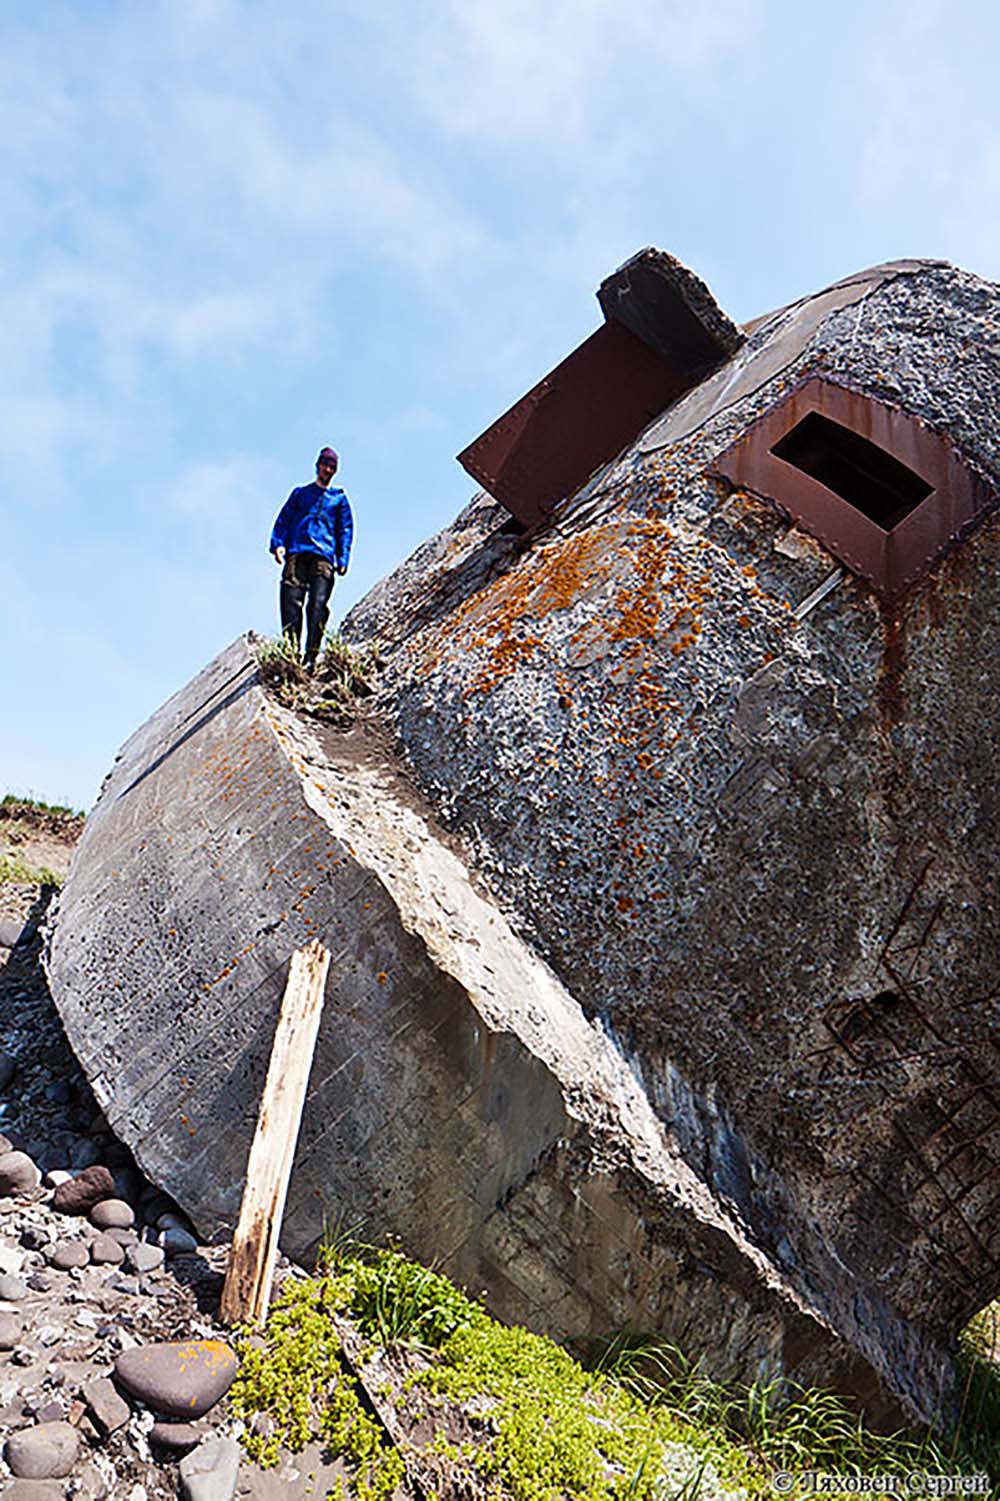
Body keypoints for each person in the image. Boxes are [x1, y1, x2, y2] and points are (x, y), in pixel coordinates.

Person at [269, 447, 354, 670]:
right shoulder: (300, 494)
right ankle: (291, 653)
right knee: (291, 603)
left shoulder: (339, 499)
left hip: (324, 556)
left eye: (332, 467)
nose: (328, 470)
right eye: (325, 465)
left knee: (317, 605)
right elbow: (283, 520)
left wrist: (343, 558)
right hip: (297, 551)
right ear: (317, 465)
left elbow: (345, 529)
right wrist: (278, 544)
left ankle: (311, 657)